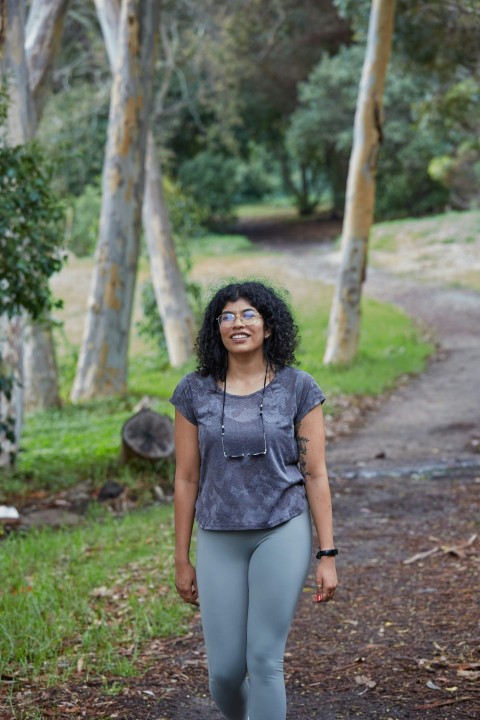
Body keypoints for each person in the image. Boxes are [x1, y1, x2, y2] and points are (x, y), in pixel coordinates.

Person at [170, 280, 338, 720]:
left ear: (268, 327)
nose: (237, 323)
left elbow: (315, 472)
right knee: (224, 673)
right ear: (216, 330)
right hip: (218, 535)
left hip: (281, 529)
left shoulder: (298, 388)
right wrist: (181, 557)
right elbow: (186, 478)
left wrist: (327, 554)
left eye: (248, 315)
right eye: (226, 316)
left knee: (264, 662)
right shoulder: (193, 391)